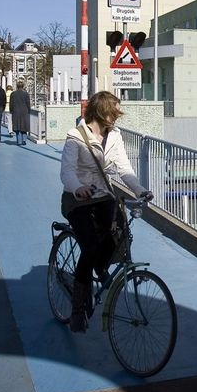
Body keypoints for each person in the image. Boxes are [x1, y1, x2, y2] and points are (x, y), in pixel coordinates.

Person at [59, 91, 153, 332]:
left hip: (103, 195)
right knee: (90, 249)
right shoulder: (75, 137)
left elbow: (123, 168)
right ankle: (78, 309)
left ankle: (98, 271)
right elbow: (67, 171)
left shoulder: (115, 137)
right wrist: (77, 187)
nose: (116, 117)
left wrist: (140, 190)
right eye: (113, 112)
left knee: (121, 235)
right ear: (101, 112)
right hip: (78, 199)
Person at [9, 81, 31, 146]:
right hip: (24, 111)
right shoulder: (26, 94)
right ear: (23, 86)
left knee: (17, 126)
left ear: (17, 86)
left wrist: (11, 110)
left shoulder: (13, 94)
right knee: (24, 126)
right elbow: (28, 103)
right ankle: (24, 140)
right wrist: (29, 110)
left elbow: (11, 103)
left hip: (16, 111)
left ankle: (19, 141)